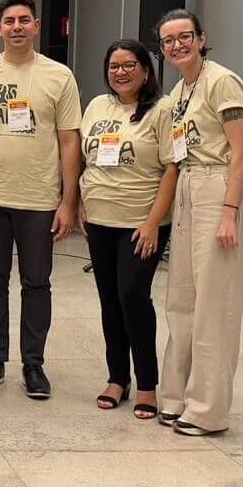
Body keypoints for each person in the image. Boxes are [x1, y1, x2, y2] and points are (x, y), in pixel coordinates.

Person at [0, 0, 82, 399]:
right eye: (9, 21)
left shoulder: (59, 76)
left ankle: (34, 364)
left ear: (36, 26)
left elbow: (69, 141)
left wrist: (69, 201)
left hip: (39, 198)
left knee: (36, 283)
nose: (16, 26)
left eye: (24, 20)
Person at [156, 9, 243, 436]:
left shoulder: (221, 80)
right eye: (168, 40)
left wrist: (229, 212)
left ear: (202, 38)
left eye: (185, 37)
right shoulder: (182, 89)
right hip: (189, 186)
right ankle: (175, 395)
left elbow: (241, 152)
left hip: (221, 188)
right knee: (181, 299)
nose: (177, 45)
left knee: (214, 305)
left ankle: (207, 410)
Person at [78, 39, 177, 419]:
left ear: (146, 70)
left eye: (129, 64)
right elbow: (88, 159)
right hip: (100, 220)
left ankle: (148, 384)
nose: (121, 71)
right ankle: (117, 378)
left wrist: (153, 222)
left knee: (133, 295)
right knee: (109, 299)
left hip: (141, 223)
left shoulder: (162, 109)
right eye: (114, 65)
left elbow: (172, 168)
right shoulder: (98, 106)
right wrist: (83, 202)